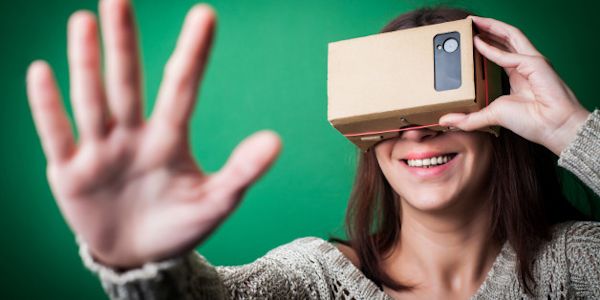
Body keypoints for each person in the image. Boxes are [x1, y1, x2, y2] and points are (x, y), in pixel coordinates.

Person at [25, 0, 599, 298]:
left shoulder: (578, 267)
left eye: (444, 105)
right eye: (392, 111)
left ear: (499, 120)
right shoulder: (315, 281)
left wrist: (570, 128)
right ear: (363, 136)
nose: (416, 132)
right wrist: (140, 264)